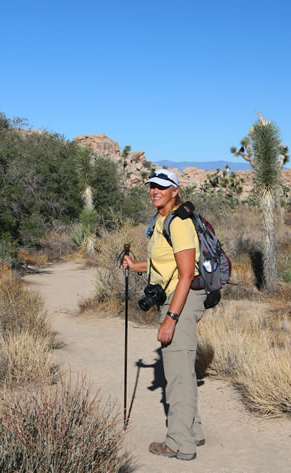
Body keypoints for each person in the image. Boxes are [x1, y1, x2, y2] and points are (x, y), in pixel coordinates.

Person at [122, 168, 206, 461]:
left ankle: (179, 443)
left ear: (175, 191)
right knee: (182, 370)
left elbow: (185, 274)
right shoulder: (161, 221)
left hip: (181, 301)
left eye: (161, 186)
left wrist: (170, 318)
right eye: (151, 186)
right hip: (176, 299)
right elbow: (165, 264)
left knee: (178, 375)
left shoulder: (180, 223)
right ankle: (193, 431)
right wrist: (135, 267)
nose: (154, 190)